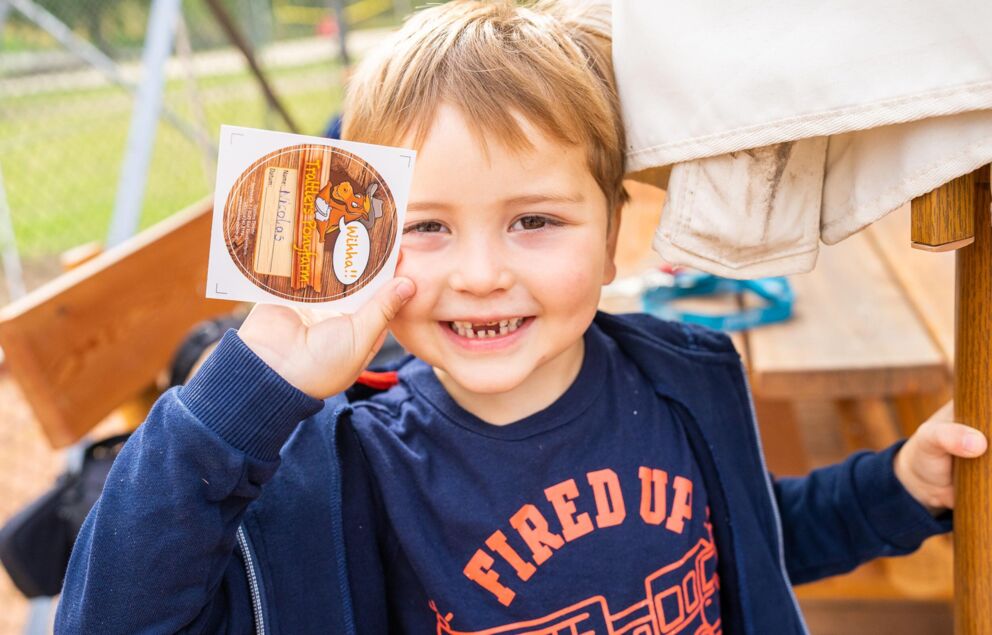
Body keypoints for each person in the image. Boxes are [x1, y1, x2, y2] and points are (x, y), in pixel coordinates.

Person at [55, 2, 987, 633]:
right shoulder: (339, 464)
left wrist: (898, 488)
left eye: (534, 221)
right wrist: (246, 395)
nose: (482, 273)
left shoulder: (681, 377)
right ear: (371, 239)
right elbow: (115, 614)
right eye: (426, 227)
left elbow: (746, 530)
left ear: (617, 229)